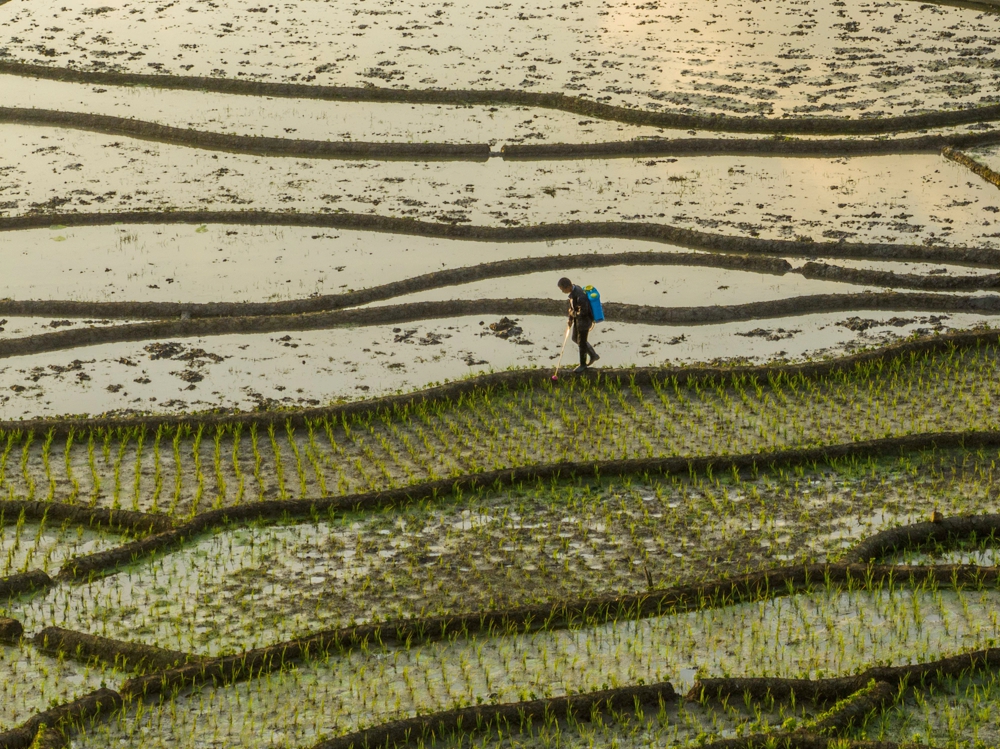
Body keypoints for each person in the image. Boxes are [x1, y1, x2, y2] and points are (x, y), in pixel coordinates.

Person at [557, 277, 599, 372]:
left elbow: (583, 312)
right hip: (578, 321)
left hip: (584, 322)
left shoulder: (580, 296)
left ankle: (583, 364)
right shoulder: (573, 293)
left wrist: (572, 314)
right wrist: (570, 319)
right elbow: (572, 308)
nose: (562, 291)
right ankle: (593, 355)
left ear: (568, 287)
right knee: (575, 338)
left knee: (582, 343)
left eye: (562, 289)